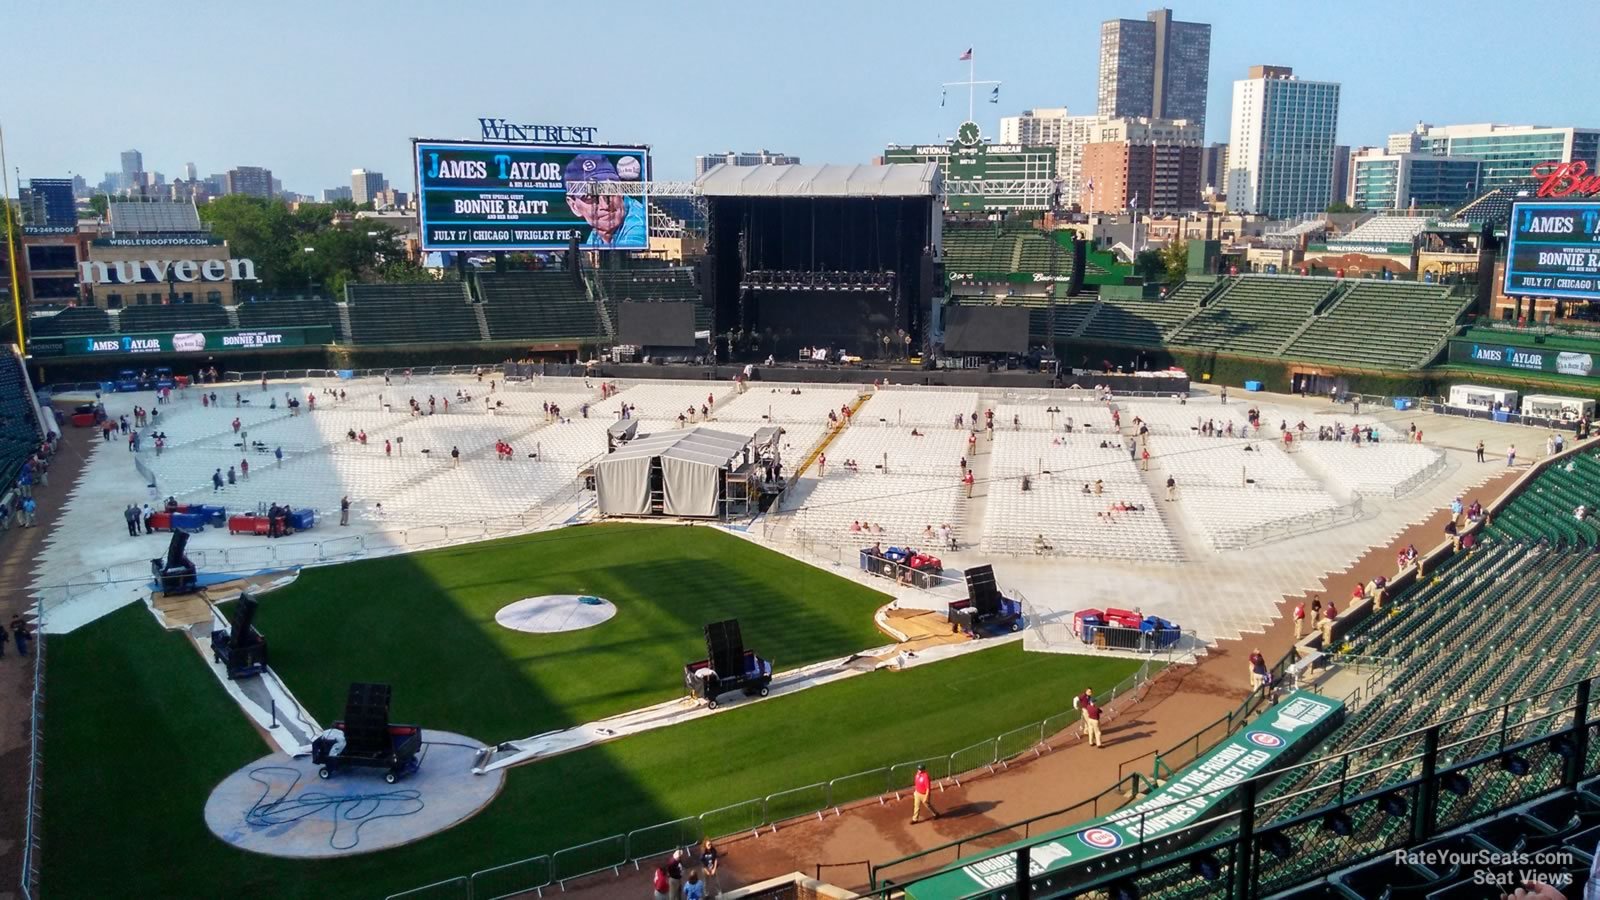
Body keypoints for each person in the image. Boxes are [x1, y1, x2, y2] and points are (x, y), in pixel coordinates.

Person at [565, 153, 647, 247]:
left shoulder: (638, 224)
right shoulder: (597, 234)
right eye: (591, 197)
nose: (605, 206)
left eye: (610, 192)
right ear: (574, 206)